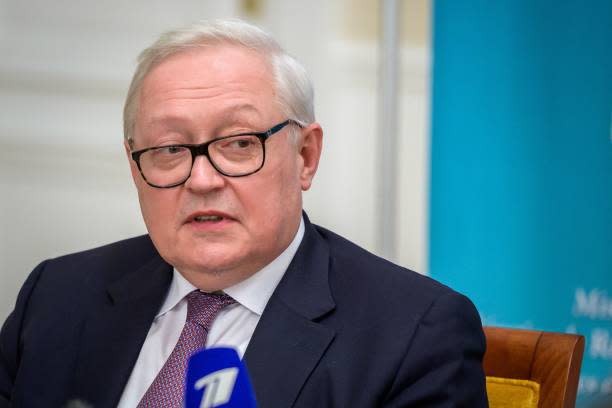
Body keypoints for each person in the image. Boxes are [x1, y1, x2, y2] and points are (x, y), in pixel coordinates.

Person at [0, 19, 487, 407]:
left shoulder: (414, 336)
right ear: (134, 166)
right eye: (170, 148)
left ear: (305, 157)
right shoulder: (57, 296)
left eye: (238, 143)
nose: (202, 180)